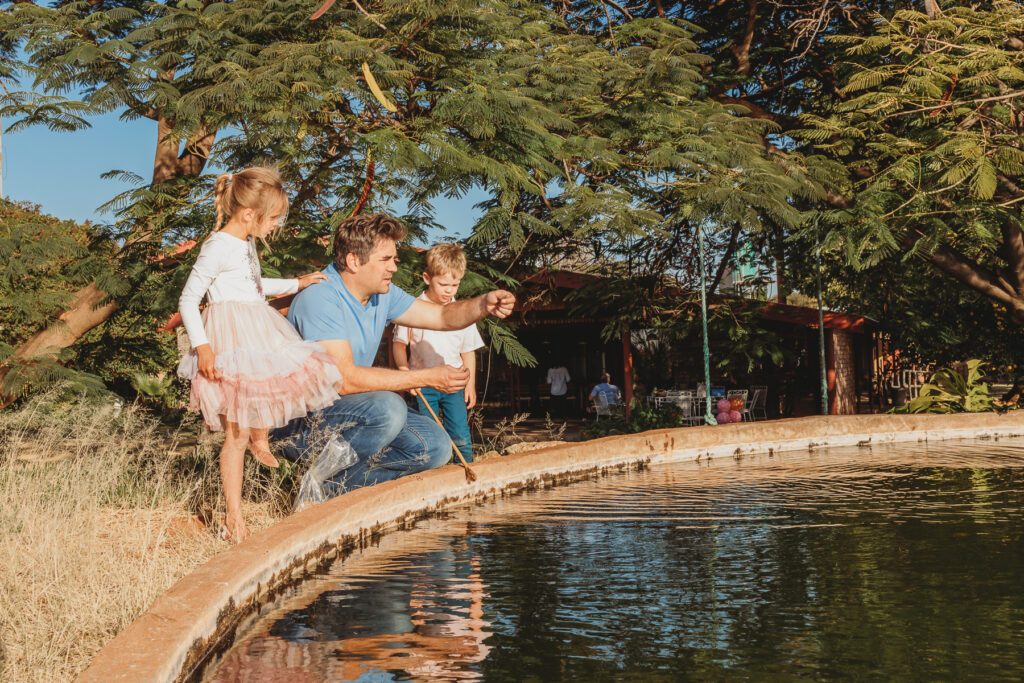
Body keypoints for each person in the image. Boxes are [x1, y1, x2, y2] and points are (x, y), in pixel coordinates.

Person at [270, 213, 515, 496]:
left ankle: (329, 489)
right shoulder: (320, 298)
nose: (394, 268)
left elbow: (443, 317)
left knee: (436, 446)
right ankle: (317, 486)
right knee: (389, 408)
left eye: (394, 259)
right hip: (299, 423)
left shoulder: (382, 294)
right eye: (386, 260)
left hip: (347, 409)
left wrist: (483, 304)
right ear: (353, 261)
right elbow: (343, 380)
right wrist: (426, 377)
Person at [177, 166, 342, 543]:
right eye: (274, 219)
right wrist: (202, 347)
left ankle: (259, 436)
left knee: (278, 381)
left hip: (256, 323)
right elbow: (188, 299)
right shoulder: (217, 246)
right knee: (234, 430)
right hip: (229, 336)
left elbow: (253, 285)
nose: (276, 226)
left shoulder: (245, 243)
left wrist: (296, 283)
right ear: (249, 215)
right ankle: (234, 517)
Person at [392, 243, 483, 463]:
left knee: (460, 434)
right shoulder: (411, 308)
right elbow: (398, 345)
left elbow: (468, 352)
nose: (449, 290)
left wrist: (469, 384)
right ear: (426, 278)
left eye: (455, 284)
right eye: (443, 284)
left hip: (454, 384)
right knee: (429, 436)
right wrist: (406, 375)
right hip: (424, 385)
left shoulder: (462, 312)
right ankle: (431, 474)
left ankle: (466, 470)